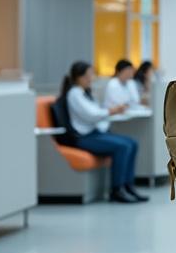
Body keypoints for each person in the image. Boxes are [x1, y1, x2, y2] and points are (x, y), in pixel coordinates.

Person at [60, 62, 148, 204]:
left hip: (95, 133)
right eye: (89, 75)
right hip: (84, 137)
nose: (91, 78)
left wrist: (108, 114)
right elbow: (92, 115)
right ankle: (117, 189)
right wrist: (111, 111)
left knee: (132, 143)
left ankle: (128, 186)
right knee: (123, 146)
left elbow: (96, 113)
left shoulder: (85, 93)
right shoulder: (74, 94)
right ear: (78, 77)